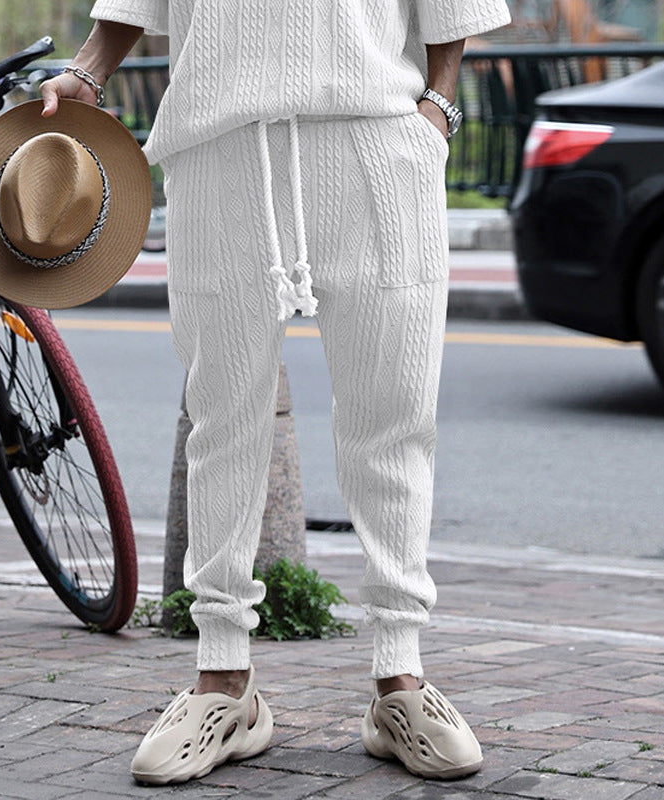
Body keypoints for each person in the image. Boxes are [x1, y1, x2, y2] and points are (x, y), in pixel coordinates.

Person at [41, 0, 510, 786]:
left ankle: (400, 674)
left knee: (394, 417)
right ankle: (223, 679)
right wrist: (89, 70)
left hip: (378, 138)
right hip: (219, 146)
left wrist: (437, 108)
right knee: (221, 420)